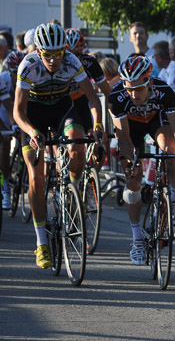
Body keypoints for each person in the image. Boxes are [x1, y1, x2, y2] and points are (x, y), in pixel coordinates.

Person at [14, 23, 104, 269]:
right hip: (33, 117)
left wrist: (97, 125)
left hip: (62, 110)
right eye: (48, 54)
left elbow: (94, 99)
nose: (54, 60)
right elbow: (18, 112)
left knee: (77, 146)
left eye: (58, 53)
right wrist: (32, 131)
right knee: (37, 178)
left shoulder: (73, 62)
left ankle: (73, 196)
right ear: (39, 51)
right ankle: (41, 241)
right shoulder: (28, 65)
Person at [108, 55, 175, 265]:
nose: (133, 94)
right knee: (133, 180)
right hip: (131, 129)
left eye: (139, 88)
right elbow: (123, 136)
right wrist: (131, 160)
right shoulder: (117, 97)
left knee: (170, 148)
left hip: (155, 122)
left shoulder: (164, 91)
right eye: (129, 89)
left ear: (149, 82)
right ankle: (137, 239)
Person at [0, 51, 23, 208]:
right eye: (16, 73)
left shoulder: (30, 76)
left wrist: (17, 125)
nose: (18, 76)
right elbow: (7, 106)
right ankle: (5, 184)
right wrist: (9, 126)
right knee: (5, 140)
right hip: (1, 110)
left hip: (16, 109)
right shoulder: (4, 80)